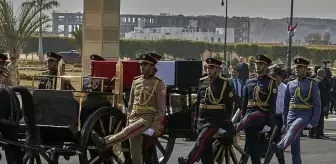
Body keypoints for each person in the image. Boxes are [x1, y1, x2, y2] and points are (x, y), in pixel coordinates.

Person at [91, 53, 166, 164]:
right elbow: (130, 105)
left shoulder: (158, 83)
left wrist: (153, 127)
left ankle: (104, 141)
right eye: (141, 64)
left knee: (125, 133)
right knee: (135, 155)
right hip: (134, 117)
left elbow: (161, 109)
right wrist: (128, 120)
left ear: (152, 67)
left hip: (146, 119)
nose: (142, 67)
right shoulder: (136, 82)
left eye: (145, 65)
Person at [177, 57, 234, 164]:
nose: (209, 70)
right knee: (206, 154)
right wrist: (195, 120)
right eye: (207, 68)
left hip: (215, 120)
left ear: (218, 69)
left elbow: (229, 106)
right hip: (202, 119)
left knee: (201, 141)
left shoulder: (224, 83)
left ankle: (188, 161)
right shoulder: (202, 82)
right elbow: (198, 103)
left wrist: (226, 124)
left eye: (211, 68)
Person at [270, 57, 321, 164]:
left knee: (293, 128)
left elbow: (317, 104)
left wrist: (314, 121)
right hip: (291, 115)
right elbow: (286, 105)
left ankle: (280, 146)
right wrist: (284, 121)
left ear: (306, 69)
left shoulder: (312, 84)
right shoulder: (290, 84)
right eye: (296, 67)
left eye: (300, 67)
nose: (297, 69)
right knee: (295, 150)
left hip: (304, 115)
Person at [234, 55, 277, 164]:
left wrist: (269, 123)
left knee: (252, 116)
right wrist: (243, 118)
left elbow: (272, 105)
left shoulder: (271, 82)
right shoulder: (249, 82)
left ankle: (232, 129)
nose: (257, 66)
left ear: (266, 66)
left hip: (262, 115)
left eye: (260, 64)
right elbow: (244, 104)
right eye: (256, 64)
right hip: (249, 118)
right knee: (253, 150)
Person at [263, 65, 286, 164]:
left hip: (280, 118)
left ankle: (266, 162)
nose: (273, 77)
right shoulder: (269, 87)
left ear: (280, 76)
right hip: (270, 117)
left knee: (272, 141)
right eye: (271, 75)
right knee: (275, 143)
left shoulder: (285, 88)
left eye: (275, 75)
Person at [309, 68, 329, 139]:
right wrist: (325, 105)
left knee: (313, 118)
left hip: (312, 103)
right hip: (320, 103)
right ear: (322, 74)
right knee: (320, 119)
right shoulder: (320, 82)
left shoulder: (313, 81)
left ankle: (311, 133)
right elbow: (323, 95)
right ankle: (319, 134)